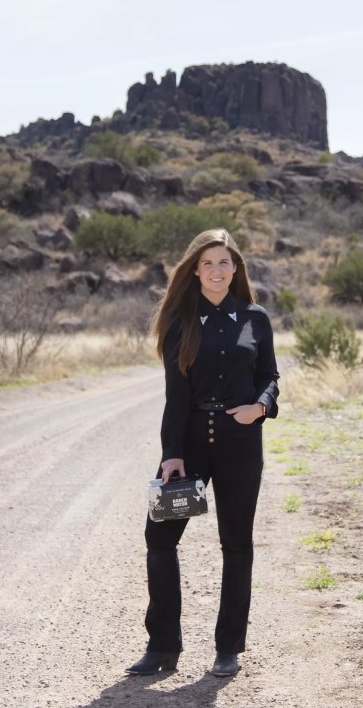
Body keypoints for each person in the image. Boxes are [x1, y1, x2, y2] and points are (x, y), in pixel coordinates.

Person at [125, 228, 280, 679]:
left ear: (236, 271)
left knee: (236, 545)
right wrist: (171, 453)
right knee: (160, 539)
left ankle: (227, 648)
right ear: (195, 271)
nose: (217, 270)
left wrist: (260, 407)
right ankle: (162, 648)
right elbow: (175, 397)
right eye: (208, 263)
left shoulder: (256, 318)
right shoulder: (181, 323)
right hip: (189, 443)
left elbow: (270, 375)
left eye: (225, 263)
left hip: (241, 445)